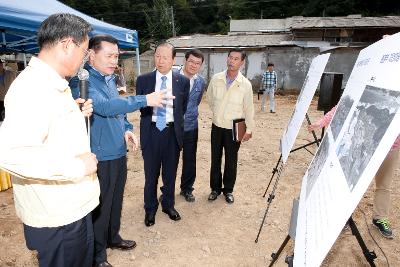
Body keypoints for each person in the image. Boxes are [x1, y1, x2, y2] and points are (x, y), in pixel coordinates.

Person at [0, 13, 99, 267]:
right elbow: (12, 153)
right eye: (85, 51)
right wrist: (78, 167)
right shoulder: (32, 88)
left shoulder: (53, 84)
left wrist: (73, 114)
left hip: (71, 208)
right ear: (67, 45)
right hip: (57, 218)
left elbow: (48, 131)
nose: (85, 59)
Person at [69, 35, 172, 267]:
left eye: (116, 56)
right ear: (91, 55)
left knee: (116, 200)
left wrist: (126, 128)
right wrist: (145, 99)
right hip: (99, 155)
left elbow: (118, 109)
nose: (114, 60)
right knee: (101, 207)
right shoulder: (82, 82)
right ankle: (98, 256)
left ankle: (112, 237)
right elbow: (104, 107)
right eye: (109, 55)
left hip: (117, 150)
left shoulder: (109, 79)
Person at [308, 105, 400, 239]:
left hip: (392, 148)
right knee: (351, 182)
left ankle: (380, 218)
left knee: (384, 185)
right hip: (365, 144)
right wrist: (322, 122)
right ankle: (343, 217)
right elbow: (346, 103)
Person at [136, 42, 190, 227]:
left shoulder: (182, 81)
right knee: (150, 175)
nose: (160, 60)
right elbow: (140, 106)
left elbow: (181, 108)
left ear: (174, 60)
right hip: (151, 132)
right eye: (157, 56)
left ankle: (168, 204)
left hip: (171, 133)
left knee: (170, 174)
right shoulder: (143, 80)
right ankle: (150, 209)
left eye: (165, 57)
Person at [206, 48, 255, 204]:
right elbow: (210, 99)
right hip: (217, 124)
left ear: (241, 62)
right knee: (215, 159)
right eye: (230, 58)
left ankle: (228, 190)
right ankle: (215, 189)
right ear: (227, 59)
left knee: (232, 160)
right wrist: (219, 113)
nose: (232, 61)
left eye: (236, 59)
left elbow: (249, 108)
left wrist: (249, 129)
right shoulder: (216, 79)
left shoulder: (245, 84)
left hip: (237, 126)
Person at [178, 49, 206, 202]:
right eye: (191, 61)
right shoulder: (173, 77)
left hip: (191, 127)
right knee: (170, 161)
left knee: (190, 159)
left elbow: (197, 100)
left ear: (200, 65)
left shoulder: (200, 81)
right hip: (173, 127)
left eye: (197, 63)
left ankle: (187, 189)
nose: (194, 65)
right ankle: (167, 190)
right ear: (185, 61)